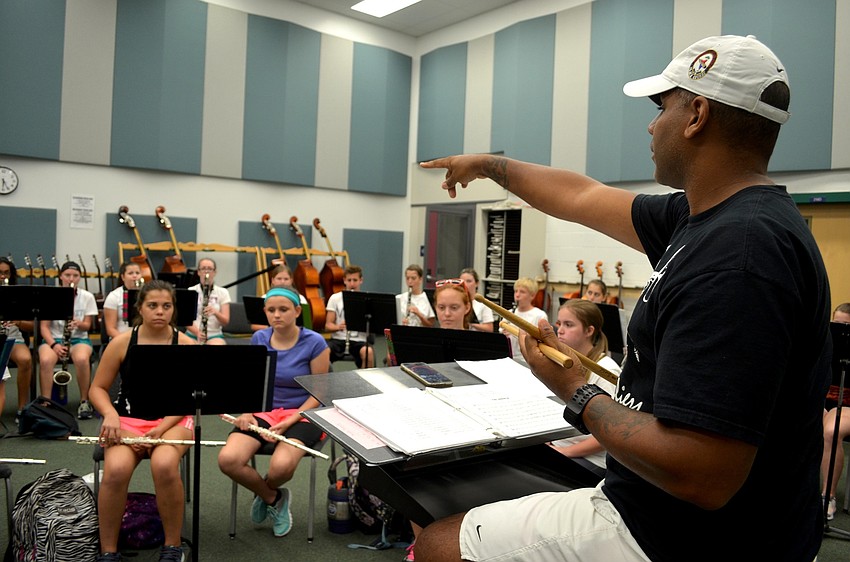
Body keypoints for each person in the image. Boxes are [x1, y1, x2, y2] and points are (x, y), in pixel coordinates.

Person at [417, 35, 830, 562]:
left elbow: (703, 474)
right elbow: (580, 196)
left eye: (662, 107)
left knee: (438, 544)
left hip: (685, 536)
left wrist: (575, 388)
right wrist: (489, 165)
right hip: (693, 513)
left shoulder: (738, 253)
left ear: (697, 113)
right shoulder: (705, 219)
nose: (652, 125)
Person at [88, 280, 196, 562]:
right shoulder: (123, 342)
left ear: (174, 309)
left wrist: (161, 427)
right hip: (128, 419)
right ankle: (108, 551)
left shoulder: (186, 344)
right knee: (115, 471)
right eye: (152, 305)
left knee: (164, 464)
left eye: (166, 306)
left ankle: (172, 547)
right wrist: (111, 414)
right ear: (139, 308)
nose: (160, 311)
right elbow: (97, 389)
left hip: (173, 420)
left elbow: (191, 396)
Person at [218, 287, 330, 537]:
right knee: (228, 460)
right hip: (264, 410)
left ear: (297, 311)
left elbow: (320, 392)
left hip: (304, 412)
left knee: (281, 467)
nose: (276, 315)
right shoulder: (259, 338)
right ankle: (273, 497)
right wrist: (247, 411)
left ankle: (265, 490)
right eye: (271, 310)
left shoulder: (314, 342)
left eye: (283, 309)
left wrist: (292, 419)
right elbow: (251, 382)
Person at [548, 299, 621, 470]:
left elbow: (609, 434)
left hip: (590, 461)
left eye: (569, 325)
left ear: (589, 331)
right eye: (559, 323)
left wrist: (565, 452)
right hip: (563, 446)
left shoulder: (606, 370)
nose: (560, 331)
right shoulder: (566, 362)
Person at [38, 261, 99, 419]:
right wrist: (54, 345)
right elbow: (44, 327)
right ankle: (46, 403)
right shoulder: (50, 296)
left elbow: (87, 326)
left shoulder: (87, 297)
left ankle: (84, 401)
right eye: (67, 275)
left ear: (79, 278)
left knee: (81, 359)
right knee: (45, 360)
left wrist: (78, 324)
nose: (71, 278)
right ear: (61, 277)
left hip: (79, 339)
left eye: (75, 275)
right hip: (54, 339)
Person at [821, 302, 850, 520]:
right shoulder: (822, 340)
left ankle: (827, 496)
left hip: (848, 404)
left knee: (831, 431)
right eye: (837, 325)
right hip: (824, 399)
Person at [0, 257, 34, 419]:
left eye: (6, 273)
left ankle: (22, 408)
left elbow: (31, 326)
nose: (2, 276)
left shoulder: (19, 294)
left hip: (13, 338)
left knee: (26, 359)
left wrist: (17, 321)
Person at [325, 265, 374, 368]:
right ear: (344, 280)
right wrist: (338, 327)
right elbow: (328, 325)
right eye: (349, 280)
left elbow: (373, 327)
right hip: (338, 339)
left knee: (368, 352)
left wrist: (361, 324)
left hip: (359, 340)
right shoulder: (335, 298)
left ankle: (365, 382)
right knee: (322, 352)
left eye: (355, 280)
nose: (352, 284)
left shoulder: (367, 300)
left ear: (361, 280)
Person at [251, 264, 308, 332]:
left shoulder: (301, 298)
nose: (282, 282)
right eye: (279, 279)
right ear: (273, 280)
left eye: (286, 279)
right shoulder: (264, 298)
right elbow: (255, 325)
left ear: (291, 281)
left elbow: (307, 324)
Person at [186, 258, 231, 345]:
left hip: (214, 335)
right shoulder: (191, 290)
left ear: (214, 272)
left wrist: (215, 312)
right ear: (198, 272)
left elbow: (225, 321)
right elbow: (186, 320)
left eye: (210, 269)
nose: (206, 271)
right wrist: (197, 333)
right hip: (193, 334)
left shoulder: (223, 292)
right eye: (203, 268)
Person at [500, 277, 547, 359]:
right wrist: (504, 333)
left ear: (532, 295)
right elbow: (501, 334)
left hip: (528, 359)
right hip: (509, 357)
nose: (517, 295)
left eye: (522, 292)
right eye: (516, 291)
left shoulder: (540, 315)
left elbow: (542, 341)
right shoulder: (509, 313)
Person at [102, 262, 144, 341]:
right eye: (130, 273)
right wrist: (128, 340)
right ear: (123, 277)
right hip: (121, 338)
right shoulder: (114, 296)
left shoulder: (147, 294)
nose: (135, 276)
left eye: (137, 273)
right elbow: (111, 330)